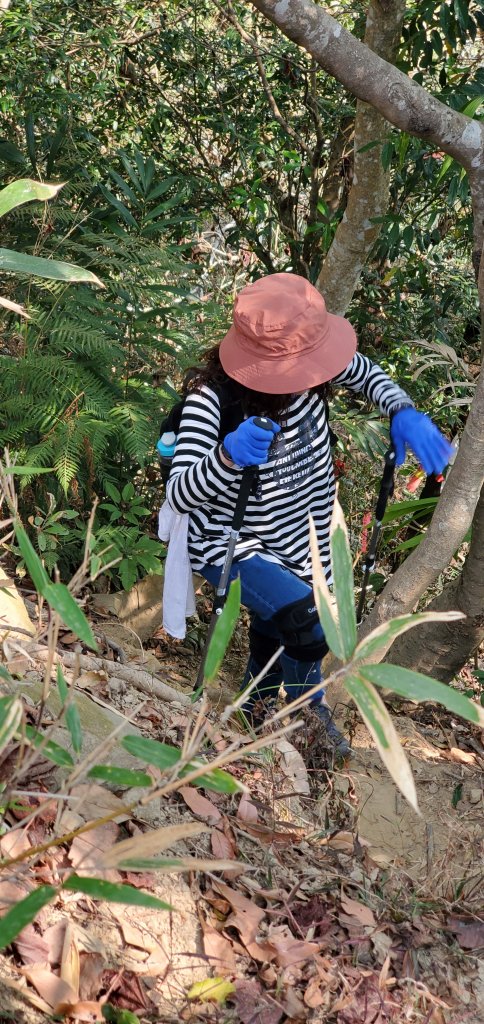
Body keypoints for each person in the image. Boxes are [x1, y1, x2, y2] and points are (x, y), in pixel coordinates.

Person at [166, 273, 453, 755]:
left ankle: (255, 709)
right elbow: (179, 494)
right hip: (231, 543)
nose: (314, 375)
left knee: (276, 625)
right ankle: (309, 719)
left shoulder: (311, 367)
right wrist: (228, 455)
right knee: (305, 621)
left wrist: (401, 408)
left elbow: (363, 372)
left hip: (302, 538)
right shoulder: (211, 402)